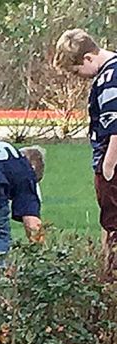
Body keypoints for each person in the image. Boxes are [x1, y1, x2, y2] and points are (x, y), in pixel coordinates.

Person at [53, 29, 117, 278]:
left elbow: (115, 125)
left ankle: (110, 279)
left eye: (76, 70)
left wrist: (108, 166)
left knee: (113, 222)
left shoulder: (111, 77)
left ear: (89, 58)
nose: (78, 77)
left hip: (111, 159)